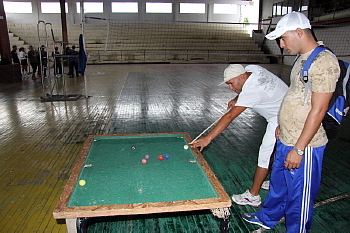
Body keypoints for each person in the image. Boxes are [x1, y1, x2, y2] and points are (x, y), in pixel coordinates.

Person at [241, 12, 340, 232]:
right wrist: (282, 124)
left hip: (305, 144)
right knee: (279, 186)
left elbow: (319, 109)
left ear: (299, 32)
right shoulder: (301, 58)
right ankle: (268, 217)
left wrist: (300, 148)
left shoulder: (324, 62)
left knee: (299, 196)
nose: (282, 45)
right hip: (286, 136)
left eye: (283, 39)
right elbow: (295, 95)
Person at [190, 64, 288, 206]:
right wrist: (238, 97)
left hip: (281, 117)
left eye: (231, 83)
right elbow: (247, 88)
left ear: (242, 77)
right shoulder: (253, 69)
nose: (230, 87)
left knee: (264, 157)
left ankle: (253, 196)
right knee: (277, 152)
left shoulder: (252, 91)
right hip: (284, 106)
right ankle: (276, 181)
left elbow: (229, 116)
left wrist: (208, 138)